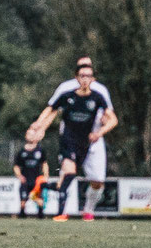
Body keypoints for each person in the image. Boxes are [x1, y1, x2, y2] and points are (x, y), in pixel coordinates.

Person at [30, 58, 117, 221]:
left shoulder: (100, 92)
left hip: (92, 141)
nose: (85, 76)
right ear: (76, 74)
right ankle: (62, 211)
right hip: (69, 139)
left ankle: (88, 209)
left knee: (98, 181)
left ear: (93, 75)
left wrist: (101, 130)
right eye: (82, 73)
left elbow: (110, 116)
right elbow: (52, 110)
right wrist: (40, 127)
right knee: (68, 174)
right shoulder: (66, 89)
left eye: (89, 72)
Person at [12, 133, 49, 218]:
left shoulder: (40, 150)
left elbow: (44, 163)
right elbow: (16, 166)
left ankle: (41, 216)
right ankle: (22, 216)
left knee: (39, 201)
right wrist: (19, 176)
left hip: (36, 181)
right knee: (23, 202)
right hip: (25, 181)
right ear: (26, 136)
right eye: (29, 134)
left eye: (33, 134)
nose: (31, 136)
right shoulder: (21, 151)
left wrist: (46, 175)